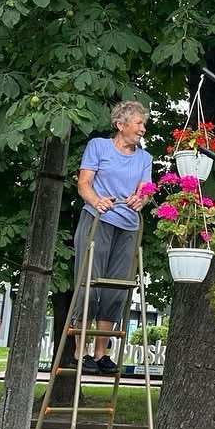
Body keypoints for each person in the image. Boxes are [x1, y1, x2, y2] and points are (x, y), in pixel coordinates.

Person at [72, 101, 153, 375]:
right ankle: (80, 352)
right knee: (89, 286)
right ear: (121, 124)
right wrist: (97, 201)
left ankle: (101, 353)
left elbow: (145, 190)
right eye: (139, 123)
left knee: (116, 289)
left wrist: (141, 199)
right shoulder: (98, 146)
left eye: (143, 123)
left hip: (128, 226)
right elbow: (83, 183)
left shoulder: (144, 158)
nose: (143, 128)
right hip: (98, 220)